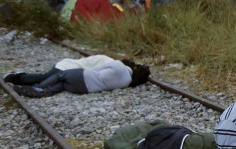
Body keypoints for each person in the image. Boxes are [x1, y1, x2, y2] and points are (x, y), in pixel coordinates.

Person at [11, 58, 150, 98]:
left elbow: (95, 70)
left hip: (84, 77)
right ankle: (47, 92)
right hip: (85, 89)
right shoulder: (127, 83)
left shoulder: (118, 65)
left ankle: (39, 87)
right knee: (64, 85)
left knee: (61, 75)